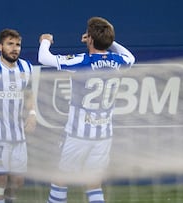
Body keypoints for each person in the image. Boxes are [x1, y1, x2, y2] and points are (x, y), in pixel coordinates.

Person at [38, 16, 135, 203]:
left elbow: (43, 58)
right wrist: (108, 41)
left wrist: (45, 40)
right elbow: (131, 56)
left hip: (78, 134)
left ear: (89, 38)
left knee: (60, 179)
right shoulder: (120, 61)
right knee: (93, 182)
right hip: (104, 135)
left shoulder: (82, 61)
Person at [0, 28, 36, 203]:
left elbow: (29, 94)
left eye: (18, 45)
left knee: (18, 180)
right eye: (10, 44)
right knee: (0, 177)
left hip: (18, 133)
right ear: (0, 46)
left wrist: (32, 114)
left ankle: (7, 199)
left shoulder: (26, 67)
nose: (14, 48)